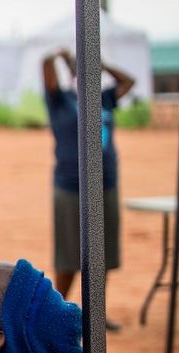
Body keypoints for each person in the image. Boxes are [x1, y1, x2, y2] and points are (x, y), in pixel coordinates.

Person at [43, 48, 134, 330]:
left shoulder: (103, 99)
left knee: (102, 252)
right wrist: (58, 55)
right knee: (69, 255)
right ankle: (58, 314)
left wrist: (102, 63)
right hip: (71, 186)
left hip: (106, 183)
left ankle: (94, 314)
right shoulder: (61, 100)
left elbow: (128, 82)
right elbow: (45, 69)